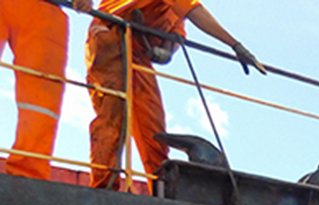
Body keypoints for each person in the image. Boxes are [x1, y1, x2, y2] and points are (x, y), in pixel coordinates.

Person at [86, 0, 265, 189]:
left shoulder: (175, 11)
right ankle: (104, 185)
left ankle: (160, 189)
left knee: (153, 126)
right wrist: (235, 45)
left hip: (138, 53)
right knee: (114, 114)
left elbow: (177, 34)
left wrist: (167, 51)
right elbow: (194, 11)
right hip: (110, 34)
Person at [0, 0, 93, 180]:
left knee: (41, 102)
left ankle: (28, 173)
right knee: (41, 100)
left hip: (44, 8)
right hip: (43, 10)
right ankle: (28, 172)